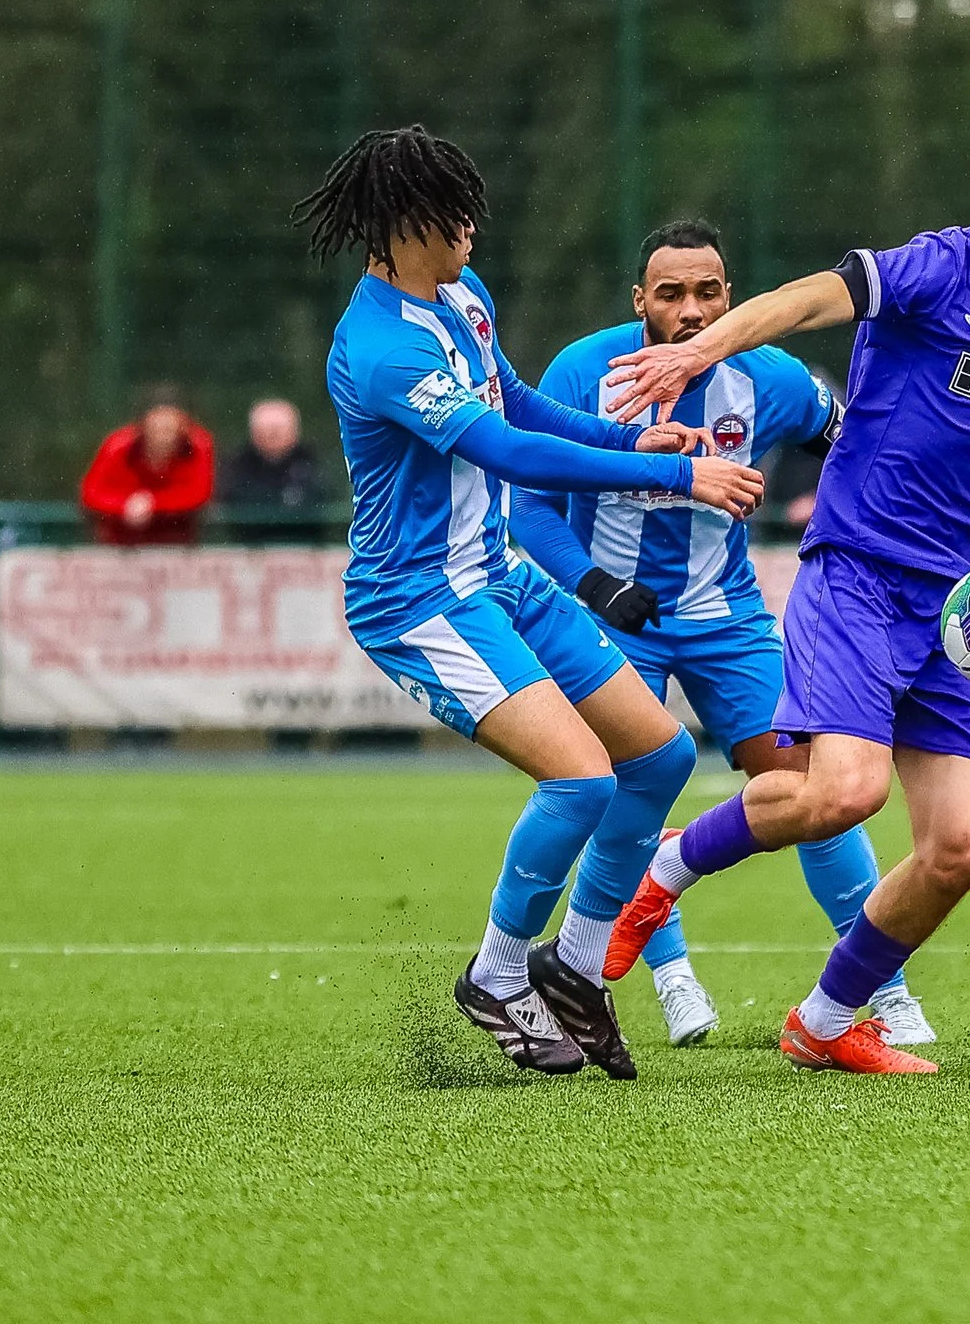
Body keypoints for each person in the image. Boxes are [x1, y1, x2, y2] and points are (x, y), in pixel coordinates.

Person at [595, 104, 970, 1075]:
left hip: (962, 608)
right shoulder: (937, 267)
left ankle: (824, 1019)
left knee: (961, 850)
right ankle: (667, 865)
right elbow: (809, 300)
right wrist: (698, 347)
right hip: (857, 571)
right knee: (844, 793)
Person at [303, 125, 762, 1078]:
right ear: (402, 224)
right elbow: (503, 452)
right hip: (420, 600)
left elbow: (512, 401)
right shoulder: (384, 350)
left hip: (498, 574)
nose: (473, 224)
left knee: (660, 754)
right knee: (582, 778)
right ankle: (499, 974)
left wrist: (627, 440)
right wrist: (677, 483)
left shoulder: (462, 295)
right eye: (452, 210)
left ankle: (579, 963)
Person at [510, 218, 934, 1050]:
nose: (692, 310)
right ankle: (670, 978)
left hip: (730, 620)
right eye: (671, 294)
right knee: (631, 787)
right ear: (641, 302)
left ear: (730, 297)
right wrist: (599, 585)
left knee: (821, 790)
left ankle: (880, 984)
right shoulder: (582, 372)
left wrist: (846, 512)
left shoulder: (770, 377)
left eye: (708, 292)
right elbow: (529, 503)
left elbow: (848, 438)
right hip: (613, 619)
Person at [79, 386, 214, 546]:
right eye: (158, 426)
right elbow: (91, 493)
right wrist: (125, 505)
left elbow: (200, 494)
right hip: (120, 544)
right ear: (143, 423)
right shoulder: (118, 446)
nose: (164, 435)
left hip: (177, 544)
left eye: (169, 427)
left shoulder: (198, 445)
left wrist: (152, 503)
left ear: (184, 425)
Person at [217, 397, 328, 542]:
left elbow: (319, 505)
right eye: (265, 430)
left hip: (302, 543)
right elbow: (236, 506)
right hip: (249, 545)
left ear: (294, 431)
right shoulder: (238, 464)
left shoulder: (311, 463)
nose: (271, 436)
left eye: (277, 430)